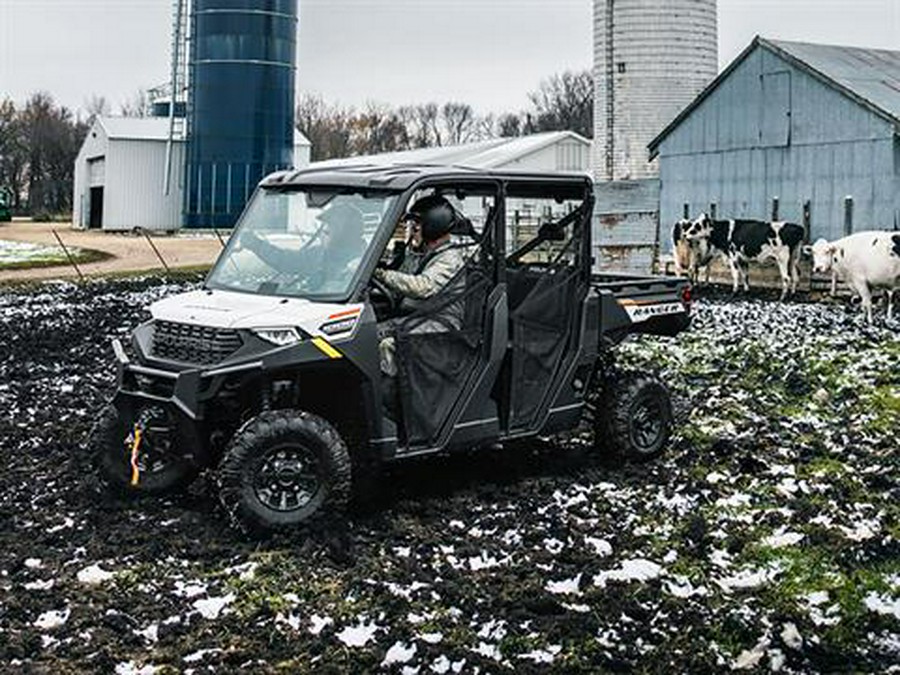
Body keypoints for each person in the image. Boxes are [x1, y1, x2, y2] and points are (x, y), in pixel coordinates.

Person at [374, 194, 467, 378]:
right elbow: (402, 278)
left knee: (389, 345)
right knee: (370, 333)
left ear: (433, 227)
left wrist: (382, 274)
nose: (413, 230)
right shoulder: (422, 253)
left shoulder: (449, 259)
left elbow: (422, 287)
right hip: (419, 317)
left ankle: (394, 391)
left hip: (441, 323)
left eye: (417, 226)